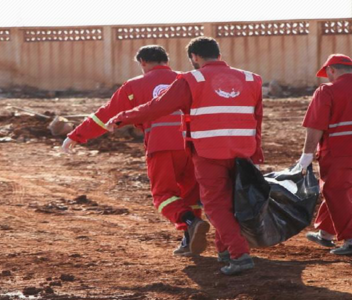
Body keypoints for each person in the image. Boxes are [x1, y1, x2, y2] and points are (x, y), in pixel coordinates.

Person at [107, 37, 264, 275]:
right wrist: (256, 152)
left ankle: (239, 254)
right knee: (232, 203)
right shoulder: (252, 79)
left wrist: (121, 118)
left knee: (214, 206)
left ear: (195, 58)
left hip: (208, 151)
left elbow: (157, 106)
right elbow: (257, 119)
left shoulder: (192, 79)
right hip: (243, 151)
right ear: (218, 55)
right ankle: (224, 251)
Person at [61, 45, 210, 256]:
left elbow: (106, 115)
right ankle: (190, 239)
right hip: (195, 145)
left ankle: (190, 222)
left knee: (164, 196)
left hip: (161, 145)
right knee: (191, 195)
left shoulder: (134, 85)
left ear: (142, 63)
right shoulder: (188, 79)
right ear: (166, 61)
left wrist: (75, 136)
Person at [296, 54, 352, 255]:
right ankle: (326, 233)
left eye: (328, 74)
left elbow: (315, 127)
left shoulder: (327, 91)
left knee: (337, 192)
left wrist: (306, 155)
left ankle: (351, 241)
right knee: (342, 192)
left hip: (339, 151)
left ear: (331, 70)